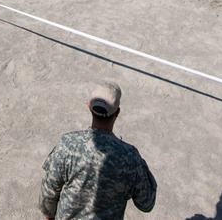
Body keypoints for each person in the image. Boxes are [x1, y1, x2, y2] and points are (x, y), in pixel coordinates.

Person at [39, 81, 157, 220]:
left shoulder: (67, 144)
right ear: (117, 112)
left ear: (89, 107)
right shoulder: (129, 156)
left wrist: (49, 216)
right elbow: (146, 203)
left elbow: (48, 193)